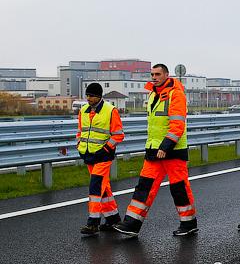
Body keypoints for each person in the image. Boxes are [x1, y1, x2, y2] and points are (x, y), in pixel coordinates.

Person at [114, 64, 198, 237]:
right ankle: (131, 224)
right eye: (152, 74)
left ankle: (188, 223)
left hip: (173, 150)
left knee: (179, 188)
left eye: (158, 74)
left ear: (167, 75)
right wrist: (156, 147)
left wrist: (165, 146)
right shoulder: (153, 94)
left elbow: (177, 125)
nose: (154, 77)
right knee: (144, 187)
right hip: (154, 150)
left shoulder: (176, 95)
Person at [77, 83, 125, 235]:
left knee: (95, 187)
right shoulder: (83, 111)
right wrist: (79, 144)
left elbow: (118, 134)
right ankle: (113, 219)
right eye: (87, 95)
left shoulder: (110, 110)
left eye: (91, 95)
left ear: (99, 96)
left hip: (103, 156)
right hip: (88, 155)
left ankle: (93, 223)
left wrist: (105, 149)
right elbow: (80, 131)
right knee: (104, 189)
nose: (88, 98)